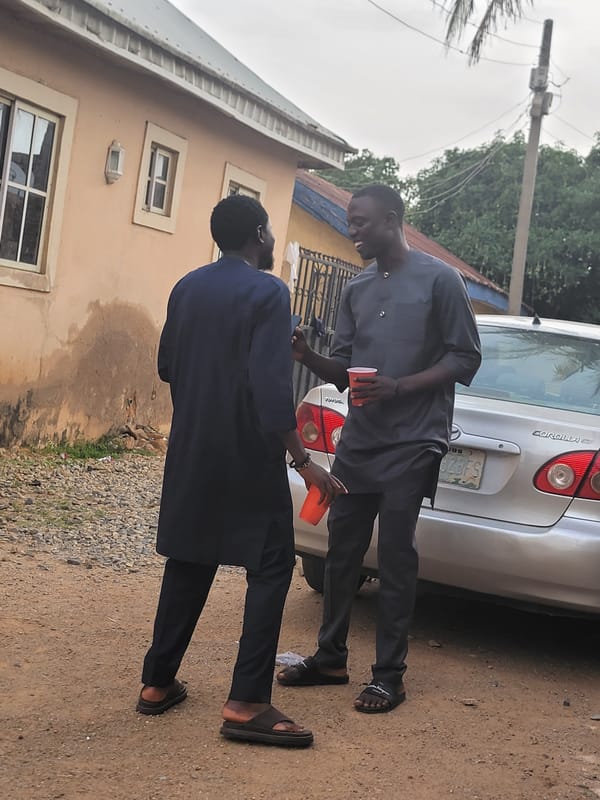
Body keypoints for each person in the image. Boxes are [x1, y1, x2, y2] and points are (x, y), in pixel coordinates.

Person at [136, 194, 342, 747]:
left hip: (191, 449)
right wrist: (303, 462)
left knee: (190, 554)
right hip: (248, 455)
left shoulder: (187, 286)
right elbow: (272, 392)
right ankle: (247, 702)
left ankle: (157, 683)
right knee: (272, 564)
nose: (272, 241)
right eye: (270, 232)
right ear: (258, 233)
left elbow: (167, 366)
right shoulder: (269, 291)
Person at [277, 184, 481, 713]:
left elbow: (466, 359)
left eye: (361, 222)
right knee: (341, 549)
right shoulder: (357, 288)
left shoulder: (442, 281)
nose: (353, 230)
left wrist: (400, 386)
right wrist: (308, 355)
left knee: (395, 553)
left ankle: (390, 674)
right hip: (362, 438)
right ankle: (330, 658)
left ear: (393, 221)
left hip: (416, 438)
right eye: (350, 222)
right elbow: (344, 373)